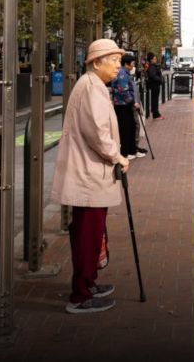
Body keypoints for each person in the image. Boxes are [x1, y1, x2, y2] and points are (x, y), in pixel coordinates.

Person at [50, 39, 130, 314]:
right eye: (114, 61)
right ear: (96, 62)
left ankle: (88, 282)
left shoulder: (94, 85)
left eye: (119, 61)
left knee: (91, 234)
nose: (118, 66)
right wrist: (117, 156)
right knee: (87, 235)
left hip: (90, 171)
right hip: (88, 174)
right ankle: (80, 295)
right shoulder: (92, 87)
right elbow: (96, 131)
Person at [110, 53, 141, 160]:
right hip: (122, 105)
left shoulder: (125, 72)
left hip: (126, 104)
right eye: (132, 64)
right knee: (125, 129)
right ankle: (125, 153)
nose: (133, 66)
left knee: (131, 127)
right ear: (126, 64)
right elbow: (123, 91)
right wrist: (133, 102)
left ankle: (132, 150)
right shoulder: (122, 74)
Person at [145, 52, 164, 120]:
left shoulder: (152, 66)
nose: (156, 60)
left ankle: (155, 113)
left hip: (155, 84)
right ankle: (156, 114)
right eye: (155, 59)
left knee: (155, 99)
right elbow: (153, 76)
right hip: (154, 84)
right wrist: (159, 79)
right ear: (151, 60)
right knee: (155, 100)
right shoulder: (151, 67)